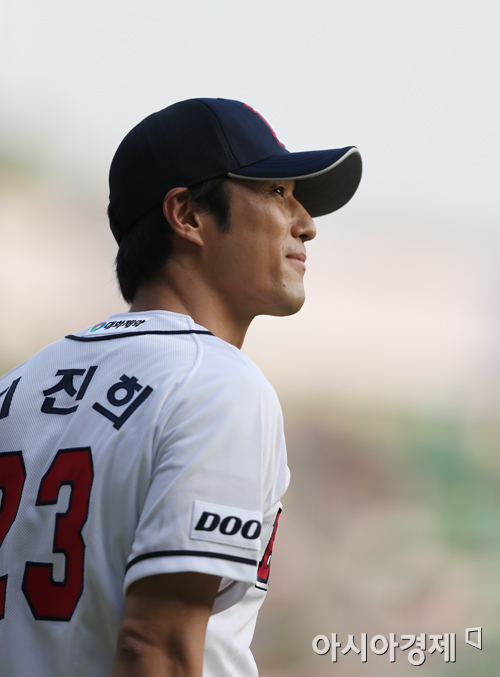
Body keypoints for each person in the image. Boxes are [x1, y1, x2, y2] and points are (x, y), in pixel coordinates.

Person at [0, 98, 362, 676]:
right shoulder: (218, 388)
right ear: (187, 214)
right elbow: (157, 648)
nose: (306, 224)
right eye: (275, 192)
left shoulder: (16, 388)